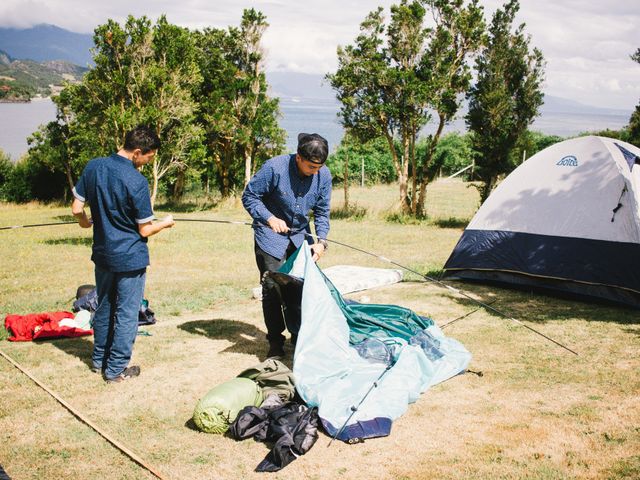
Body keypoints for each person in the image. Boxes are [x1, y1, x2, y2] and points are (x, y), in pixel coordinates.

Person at [71, 125, 175, 383]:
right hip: (129, 258)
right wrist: (166, 222)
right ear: (137, 152)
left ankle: (99, 361)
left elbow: (76, 208)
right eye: (149, 157)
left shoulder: (94, 166)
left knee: (104, 306)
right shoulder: (136, 181)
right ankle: (116, 369)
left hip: (103, 255)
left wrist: (85, 223)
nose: (148, 162)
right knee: (127, 313)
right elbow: (145, 229)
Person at [242, 133, 332, 359]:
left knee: (300, 287)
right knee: (272, 288)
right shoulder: (274, 167)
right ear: (299, 158)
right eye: (312, 166)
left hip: (301, 238)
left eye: (319, 167)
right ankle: (275, 342)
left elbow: (322, 212)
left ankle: (299, 336)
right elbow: (250, 196)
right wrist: (269, 218)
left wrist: (321, 242)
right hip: (270, 235)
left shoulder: (324, 176)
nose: (316, 172)